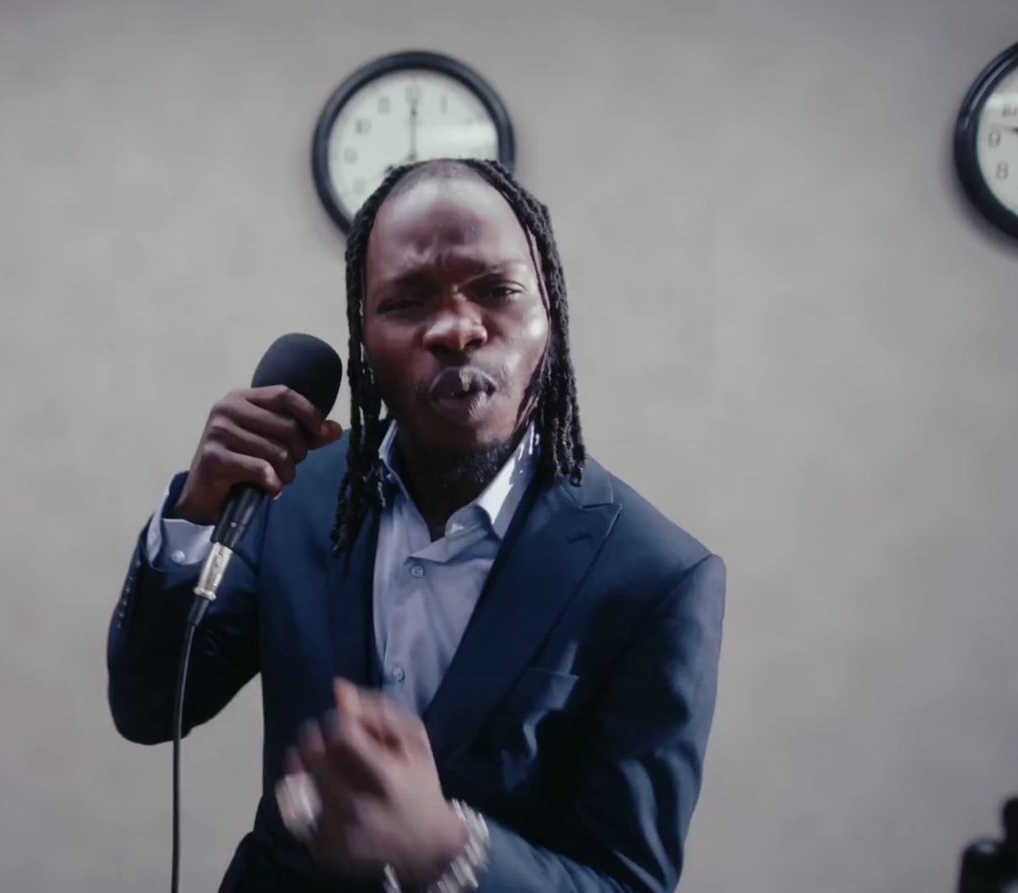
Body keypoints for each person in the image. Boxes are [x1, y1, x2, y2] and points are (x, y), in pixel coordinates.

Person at [107, 158, 726, 893]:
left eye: (497, 291)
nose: (458, 328)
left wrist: (448, 846)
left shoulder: (656, 578)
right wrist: (197, 513)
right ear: (363, 339)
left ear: (549, 316)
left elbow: (627, 881)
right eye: (406, 301)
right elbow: (149, 706)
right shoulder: (290, 493)